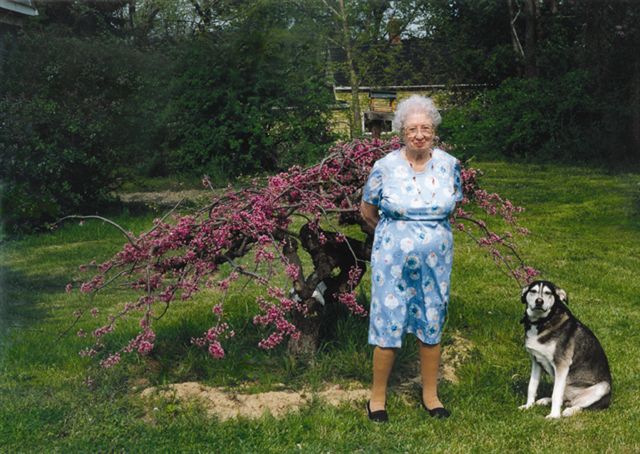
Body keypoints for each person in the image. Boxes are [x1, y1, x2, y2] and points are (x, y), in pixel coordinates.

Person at [360, 95, 463, 422]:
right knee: (388, 321)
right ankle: (377, 398)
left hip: (436, 262)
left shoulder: (450, 165)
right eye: (412, 128)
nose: (419, 134)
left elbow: (451, 205)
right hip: (392, 262)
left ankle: (431, 395)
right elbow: (368, 210)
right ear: (401, 131)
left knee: (431, 321)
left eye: (426, 128)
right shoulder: (384, 167)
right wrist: (397, 237)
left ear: (434, 131)